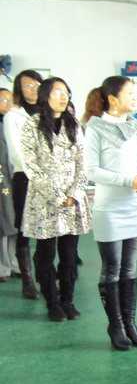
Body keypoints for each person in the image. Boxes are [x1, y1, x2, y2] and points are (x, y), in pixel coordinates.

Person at [85, 76, 137, 351]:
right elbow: (92, 171)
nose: (135, 98)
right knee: (112, 269)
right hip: (110, 209)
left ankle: (130, 323)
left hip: (134, 206)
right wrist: (129, 181)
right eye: (130, 94)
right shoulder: (95, 128)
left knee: (130, 268)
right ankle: (115, 325)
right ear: (113, 99)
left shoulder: (133, 127)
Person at [21, 77, 91, 321]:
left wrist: (73, 193)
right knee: (45, 254)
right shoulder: (33, 124)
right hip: (45, 200)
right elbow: (30, 165)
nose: (64, 97)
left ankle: (67, 300)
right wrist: (57, 195)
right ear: (45, 95)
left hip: (72, 201)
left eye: (66, 92)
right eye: (58, 92)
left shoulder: (73, 124)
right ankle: (52, 303)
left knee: (70, 255)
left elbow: (83, 163)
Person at [5, 69, 43, 300]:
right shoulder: (13, 115)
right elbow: (16, 153)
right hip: (25, 178)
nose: (32, 89)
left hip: (49, 179)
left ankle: (44, 275)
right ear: (19, 89)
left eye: (36, 84)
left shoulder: (47, 112)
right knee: (24, 228)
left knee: (47, 229)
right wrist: (37, 174)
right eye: (27, 85)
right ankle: (28, 280)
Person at [0, 126, 17, 282]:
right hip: (4, 182)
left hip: (12, 181)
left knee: (13, 223)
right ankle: (3, 266)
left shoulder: (9, 124)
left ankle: (13, 264)